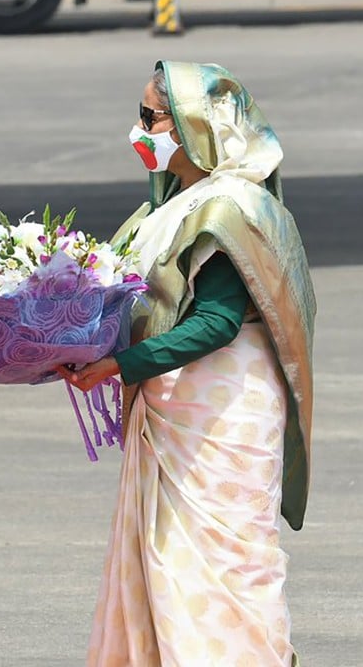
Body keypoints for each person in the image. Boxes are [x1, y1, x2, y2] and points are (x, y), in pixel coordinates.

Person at [60, 61, 316, 666]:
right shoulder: (177, 202)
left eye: (151, 117)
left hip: (223, 414)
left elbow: (216, 324)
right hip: (180, 410)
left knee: (226, 570)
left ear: (195, 127)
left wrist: (120, 365)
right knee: (168, 566)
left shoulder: (228, 210)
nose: (140, 131)